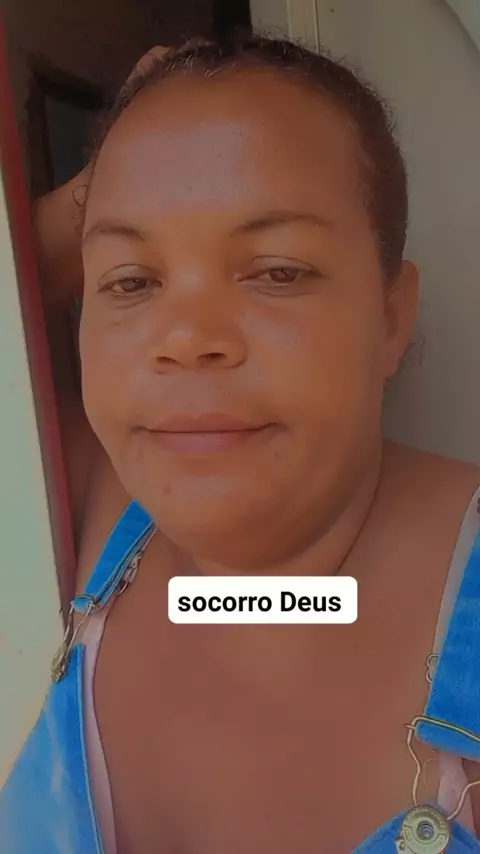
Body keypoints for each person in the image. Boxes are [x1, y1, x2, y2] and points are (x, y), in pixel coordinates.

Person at [1, 33, 480, 854]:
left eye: (277, 270)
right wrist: (96, 195)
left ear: (391, 316)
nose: (187, 338)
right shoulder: (78, 501)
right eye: (130, 279)